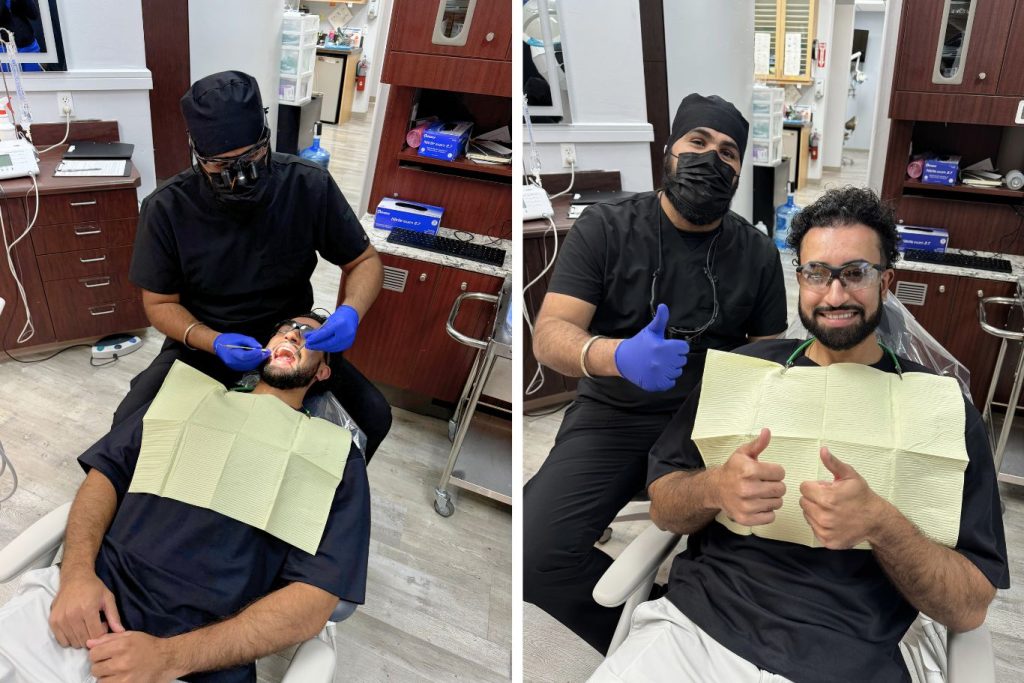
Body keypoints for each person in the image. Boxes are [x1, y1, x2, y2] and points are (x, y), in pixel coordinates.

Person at [591, 187, 1009, 682]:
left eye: (855, 273)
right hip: (697, 633)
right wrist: (715, 487)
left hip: (849, 660)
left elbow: (967, 608)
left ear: (887, 282)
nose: (835, 295)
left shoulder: (941, 408)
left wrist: (881, 524)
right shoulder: (741, 374)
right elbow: (663, 505)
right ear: (800, 280)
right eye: (817, 274)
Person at [524, 93, 788, 652]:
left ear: (740, 171)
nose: (711, 159)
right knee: (535, 554)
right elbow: (550, 336)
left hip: (708, 425)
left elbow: (770, 361)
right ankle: (651, 635)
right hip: (612, 416)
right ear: (669, 152)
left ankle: (708, 624)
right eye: (698, 142)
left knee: (754, 561)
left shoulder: (758, 256)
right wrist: (615, 356)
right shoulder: (606, 229)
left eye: (728, 152)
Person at [0, 312, 370, 683]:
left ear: (323, 371)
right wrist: (77, 575)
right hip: (79, 607)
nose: (293, 335)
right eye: (285, 329)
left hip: (193, 661)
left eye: (309, 335)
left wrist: (169, 657)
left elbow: (315, 599)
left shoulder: (334, 456)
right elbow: (106, 474)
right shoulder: (187, 400)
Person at [119, 70, 391, 460]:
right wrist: (210, 340)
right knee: (130, 427)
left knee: (372, 415)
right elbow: (159, 304)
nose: (239, 176)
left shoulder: (307, 185)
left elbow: (364, 260)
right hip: (206, 341)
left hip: (291, 337)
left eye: (251, 157)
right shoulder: (167, 209)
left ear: (266, 136)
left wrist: (350, 313)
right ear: (195, 151)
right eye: (220, 165)